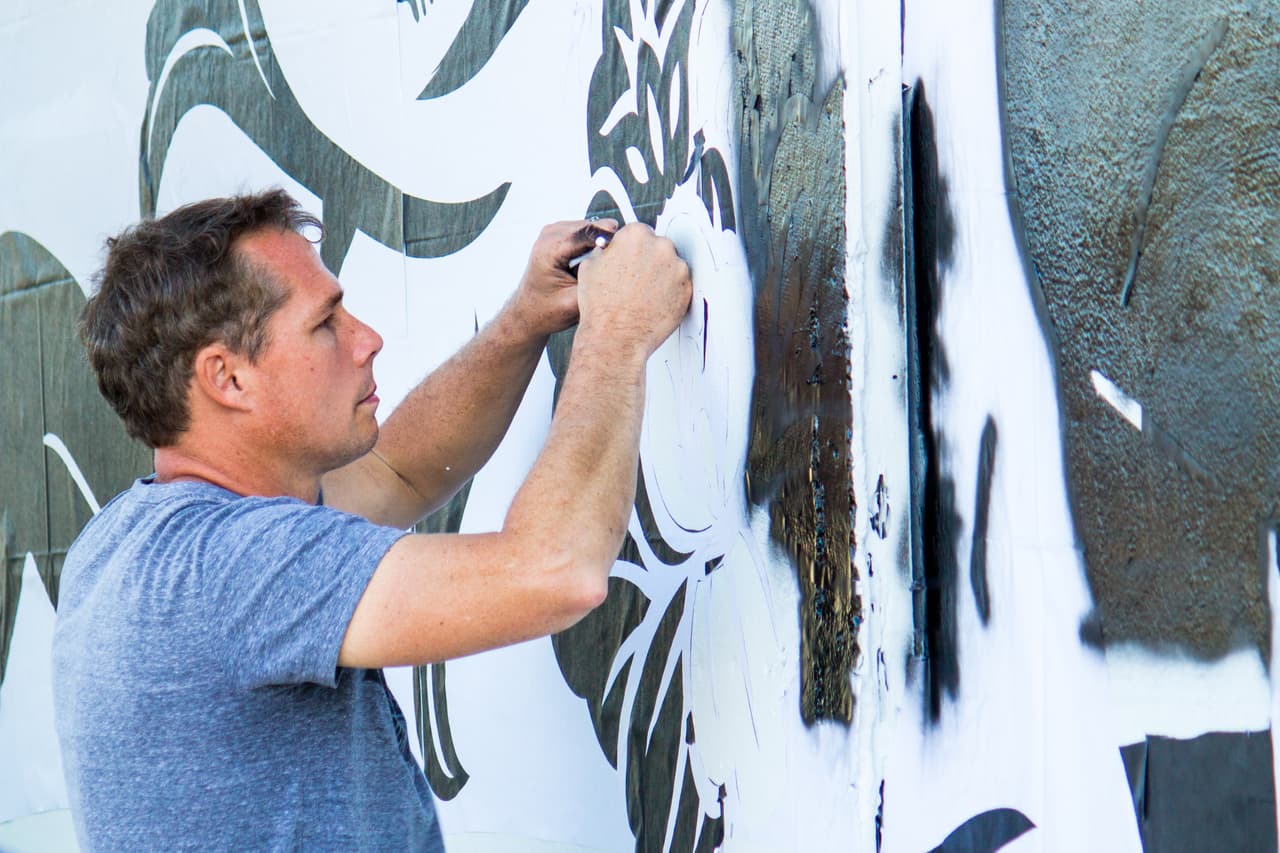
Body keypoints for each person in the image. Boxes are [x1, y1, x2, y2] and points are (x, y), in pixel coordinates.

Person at [52, 189, 691, 850]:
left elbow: (400, 472)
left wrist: (524, 320)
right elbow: (556, 570)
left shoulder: (134, 542)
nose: (367, 339)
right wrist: (616, 339)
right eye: (325, 322)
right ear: (228, 379)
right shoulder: (232, 568)